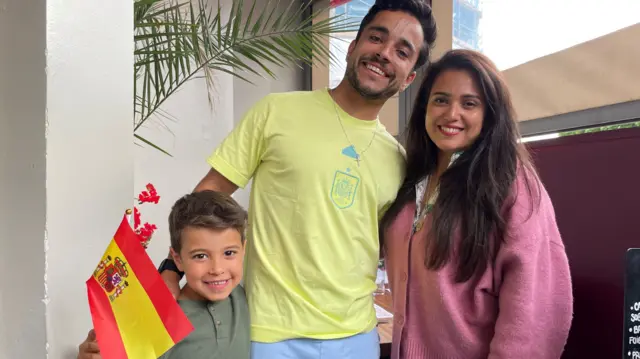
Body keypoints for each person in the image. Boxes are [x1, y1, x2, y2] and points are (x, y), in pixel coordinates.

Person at [155, 1, 437, 358]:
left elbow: (380, 245)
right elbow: (206, 198)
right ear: (353, 46)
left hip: (356, 336)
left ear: (409, 76)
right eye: (376, 38)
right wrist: (169, 269)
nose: (383, 53)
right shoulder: (276, 111)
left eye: (401, 51)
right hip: (270, 334)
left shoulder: (397, 160)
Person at [380, 49, 573, 359]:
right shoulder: (412, 178)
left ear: (490, 114)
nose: (451, 113)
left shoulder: (511, 184)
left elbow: (534, 311)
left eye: (469, 103)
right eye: (441, 99)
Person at [78, 190, 250, 359]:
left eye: (229, 253)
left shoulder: (244, 296)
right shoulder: (159, 322)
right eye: (200, 256)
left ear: (243, 249)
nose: (217, 269)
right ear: (177, 259)